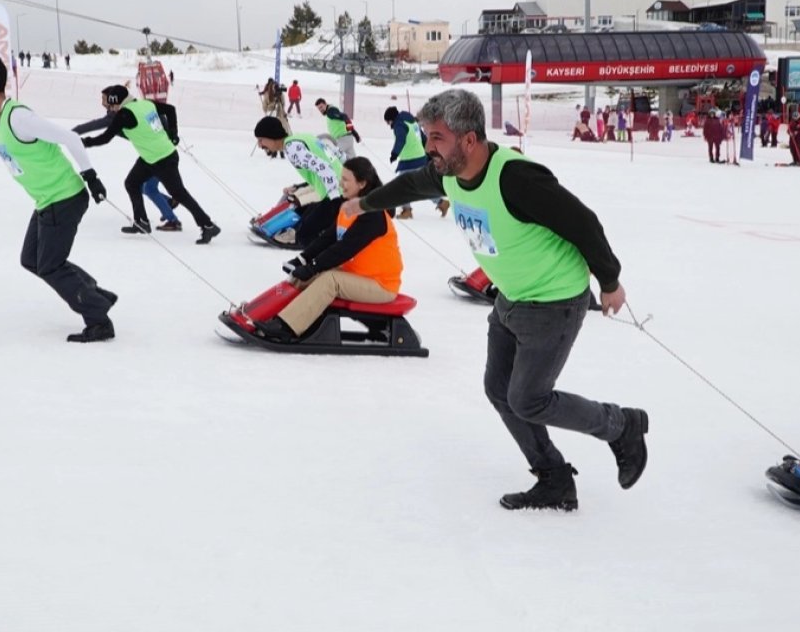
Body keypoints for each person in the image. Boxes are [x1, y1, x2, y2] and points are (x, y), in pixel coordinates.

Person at [340, 89, 649, 513]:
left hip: (554, 300)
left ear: (469, 140)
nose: (429, 147)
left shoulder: (517, 178)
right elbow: (410, 186)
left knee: (529, 399)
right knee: (499, 389)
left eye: (436, 138)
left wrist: (610, 281)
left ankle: (621, 425)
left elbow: (583, 222)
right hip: (511, 298)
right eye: (427, 137)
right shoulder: (447, 173)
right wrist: (365, 203)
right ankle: (553, 478)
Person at [0, 55, 116, 343]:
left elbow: (71, 138)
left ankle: (98, 318)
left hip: (64, 196)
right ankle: (94, 294)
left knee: (50, 265)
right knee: (31, 259)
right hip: (46, 200)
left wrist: (91, 177)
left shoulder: (18, 118)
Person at [253, 157, 403, 342]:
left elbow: (344, 249)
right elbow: (328, 238)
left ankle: (286, 327)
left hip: (381, 285)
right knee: (300, 278)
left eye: (346, 180)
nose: (341, 184)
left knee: (329, 280)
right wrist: (302, 260)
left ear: (362, 183)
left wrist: (312, 267)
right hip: (357, 275)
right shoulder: (349, 207)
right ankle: (264, 314)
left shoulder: (374, 215)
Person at [80, 85, 220, 243]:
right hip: (152, 157)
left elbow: (105, 138)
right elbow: (170, 109)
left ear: (118, 102)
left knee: (179, 193)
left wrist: (84, 142)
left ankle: (208, 225)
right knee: (132, 183)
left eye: (112, 105)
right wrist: (173, 133)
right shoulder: (145, 104)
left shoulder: (124, 114)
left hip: (162, 159)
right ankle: (141, 222)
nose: (112, 109)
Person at [73, 92, 180, 231]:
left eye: (104, 98)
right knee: (144, 187)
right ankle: (168, 202)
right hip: (156, 152)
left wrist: (70, 134)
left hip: (157, 154)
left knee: (147, 188)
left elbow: (92, 126)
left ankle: (172, 219)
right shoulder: (132, 109)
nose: (102, 101)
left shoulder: (117, 116)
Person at [254, 115, 345, 246]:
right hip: (340, 189)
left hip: (336, 194)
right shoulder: (302, 138)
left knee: (305, 234)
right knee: (304, 212)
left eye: (261, 140)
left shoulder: (292, 148)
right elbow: (336, 156)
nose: (260, 145)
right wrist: (300, 186)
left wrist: (335, 200)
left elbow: (324, 167)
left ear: (271, 135)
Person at [385, 105, 448, 219]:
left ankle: (407, 211)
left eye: (388, 122)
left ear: (391, 119)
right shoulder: (411, 121)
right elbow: (423, 137)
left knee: (402, 185)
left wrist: (395, 153)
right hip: (419, 156)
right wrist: (427, 152)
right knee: (421, 185)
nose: (389, 125)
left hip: (411, 159)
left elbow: (401, 139)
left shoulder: (399, 124)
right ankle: (441, 203)